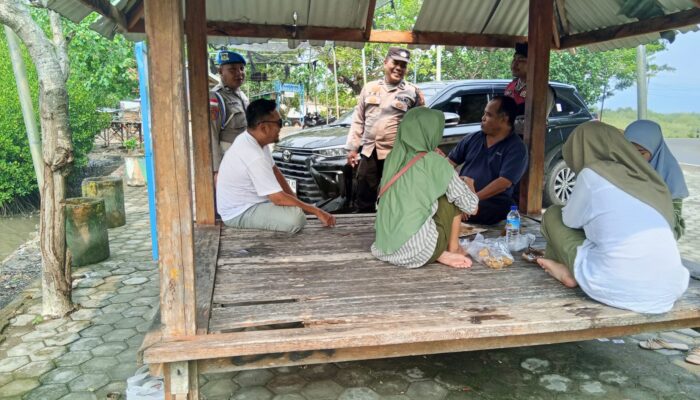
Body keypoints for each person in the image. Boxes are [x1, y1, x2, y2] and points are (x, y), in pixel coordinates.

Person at [537, 121, 689, 314]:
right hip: (669, 290)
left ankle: (565, 269)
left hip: (615, 286)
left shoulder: (592, 173)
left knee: (553, 214)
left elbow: (569, 221)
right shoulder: (653, 180)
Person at [372, 107, 479, 269]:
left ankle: (438, 253)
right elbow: (472, 207)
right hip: (418, 251)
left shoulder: (393, 158)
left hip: (384, 248)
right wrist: (469, 184)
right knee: (452, 195)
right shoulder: (436, 163)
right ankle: (452, 248)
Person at [216, 99, 336, 233]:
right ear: (263, 127)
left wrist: (295, 200)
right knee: (296, 219)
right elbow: (278, 198)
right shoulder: (254, 154)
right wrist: (316, 211)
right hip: (239, 212)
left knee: (295, 207)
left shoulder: (256, 141)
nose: (281, 127)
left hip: (252, 203)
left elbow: (275, 171)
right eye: (279, 123)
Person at [346, 47, 425, 212]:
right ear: (385, 63)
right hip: (369, 152)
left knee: (394, 200)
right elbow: (358, 119)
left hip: (396, 155)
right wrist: (353, 148)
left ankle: (391, 234)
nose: (398, 68)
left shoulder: (412, 92)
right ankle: (363, 234)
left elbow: (420, 125)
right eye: (395, 63)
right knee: (364, 198)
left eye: (403, 65)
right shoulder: (370, 87)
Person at [447, 96, 528, 225]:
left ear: (504, 119)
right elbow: (449, 163)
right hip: (462, 196)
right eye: (484, 113)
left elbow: (504, 183)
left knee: (500, 208)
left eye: (488, 115)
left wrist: (472, 201)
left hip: (492, 202)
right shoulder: (472, 138)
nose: (483, 118)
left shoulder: (516, 148)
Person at [624, 119, 689, 239]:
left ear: (655, 149)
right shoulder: (619, 166)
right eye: (629, 151)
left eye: (641, 152)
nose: (634, 157)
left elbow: (676, 222)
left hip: (658, 235)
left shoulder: (670, 172)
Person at [210, 50, 249, 179]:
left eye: (241, 68)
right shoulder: (216, 97)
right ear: (221, 71)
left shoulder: (241, 96)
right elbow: (212, 135)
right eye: (232, 70)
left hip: (245, 163)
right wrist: (216, 171)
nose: (239, 73)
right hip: (228, 166)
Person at [504, 42, 528, 115]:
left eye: (521, 60)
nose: (514, 64)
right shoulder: (511, 86)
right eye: (514, 59)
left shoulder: (541, 90)